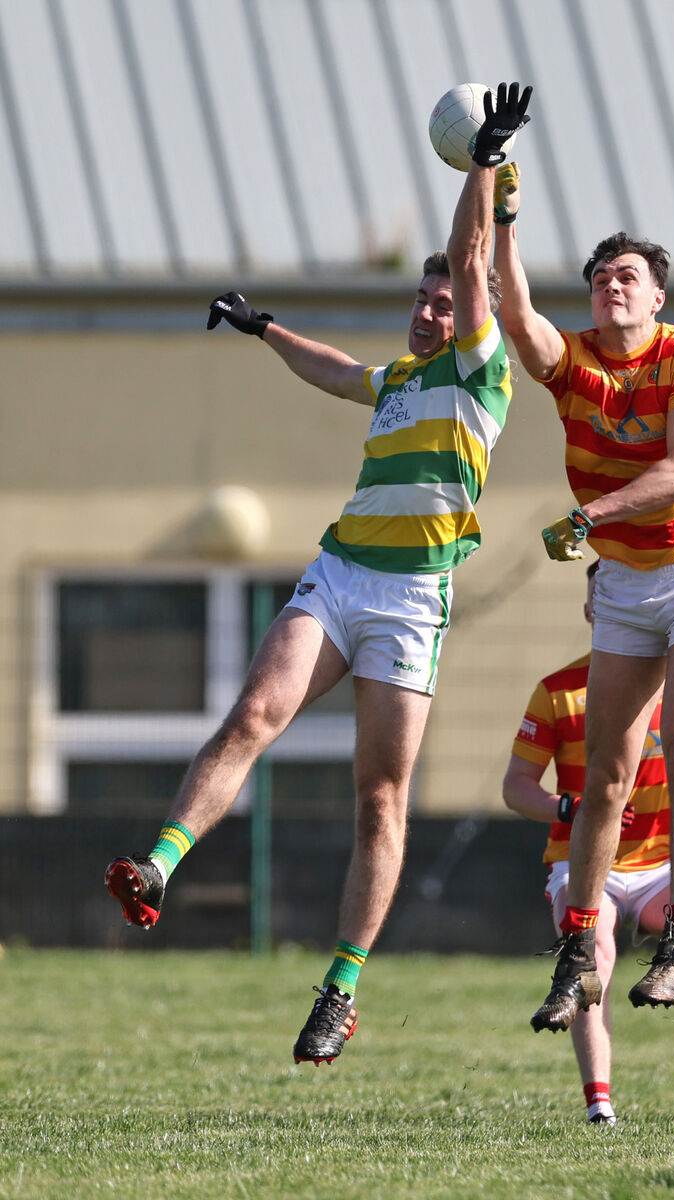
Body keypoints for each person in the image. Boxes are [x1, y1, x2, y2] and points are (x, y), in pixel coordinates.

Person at [104, 83, 533, 1066]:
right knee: (254, 713)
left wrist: (484, 164)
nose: (431, 307)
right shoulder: (393, 382)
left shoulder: (480, 372)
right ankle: (158, 868)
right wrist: (264, 331)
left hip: (412, 603)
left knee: (378, 798)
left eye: (442, 300)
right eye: (418, 299)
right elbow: (337, 370)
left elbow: (474, 264)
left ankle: (339, 989)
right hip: (341, 577)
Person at [492, 165, 674, 1029]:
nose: (611, 286)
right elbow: (518, 319)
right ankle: (579, 951)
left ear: (658, 295)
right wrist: (503, 212)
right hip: (626, 581)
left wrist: (589, 513)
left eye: (627, 276)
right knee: (604, 775)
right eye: (601, 278)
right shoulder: (574, 363)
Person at [503, 561, 674, 1126]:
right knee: (596, 950)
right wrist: (568, 807)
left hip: (662, 868)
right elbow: (516, 788)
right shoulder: (560, 692)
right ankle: (599, 1107)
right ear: (597, 610)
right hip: (586, 868)